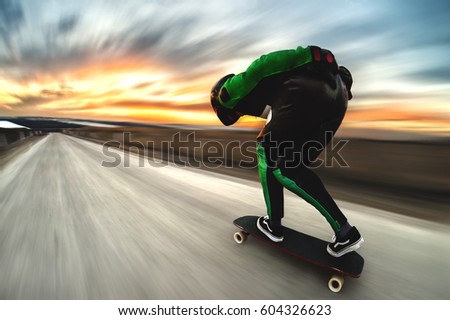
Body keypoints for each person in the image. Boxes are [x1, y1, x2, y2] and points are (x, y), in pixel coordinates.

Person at [210, 45, 363, 257]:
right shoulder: (270, 92)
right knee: (293, 166)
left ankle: (273, 225)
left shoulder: (228, 92)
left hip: (305, 90)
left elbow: (262, 64)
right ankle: (345, 232)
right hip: (338, 100)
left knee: (272, 157)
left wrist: (308, 55)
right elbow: (278, 111)